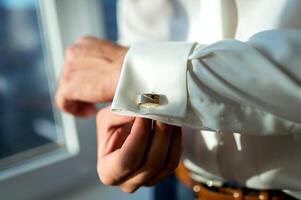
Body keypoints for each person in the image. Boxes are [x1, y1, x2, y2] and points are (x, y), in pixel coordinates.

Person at [55, 0, 301, 199]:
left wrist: (132, 73)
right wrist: (127, 116)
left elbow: (132, 65)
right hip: (177, 184)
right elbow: (143, 37)